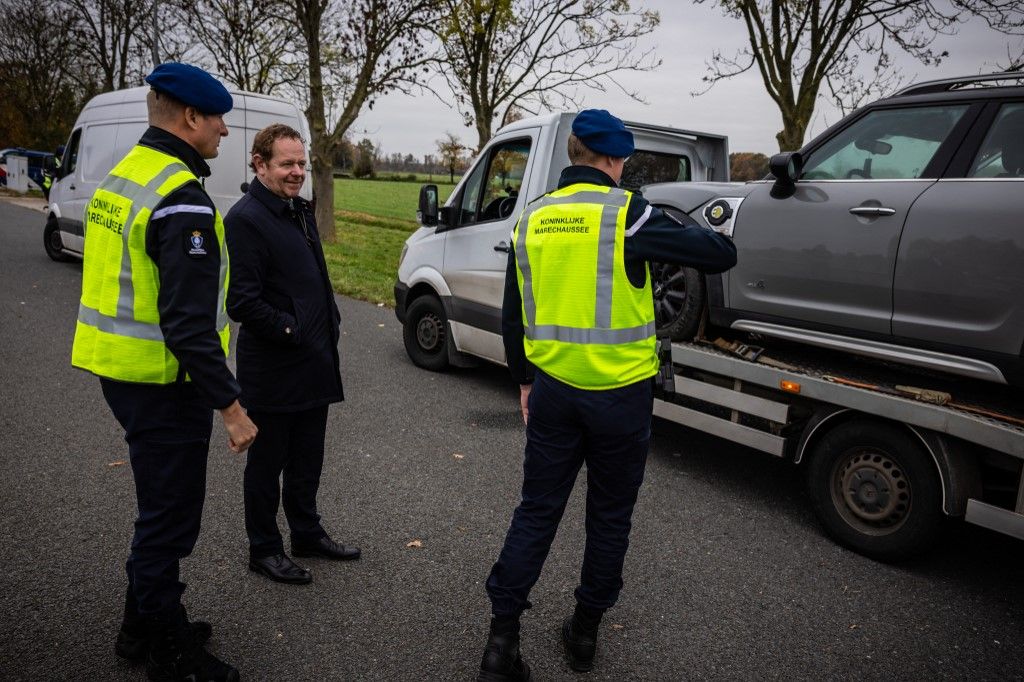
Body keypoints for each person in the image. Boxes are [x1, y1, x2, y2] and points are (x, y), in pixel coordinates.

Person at [477, 109, 738, 680]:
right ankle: (585, 633)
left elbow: (513, 314)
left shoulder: (534, 217)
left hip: (552, 392)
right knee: (610, 517)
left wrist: (524, 381)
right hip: (620, 399)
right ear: (616, 160)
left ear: (573, 154)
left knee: (536, 511)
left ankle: (501, 644)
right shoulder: (630, 213)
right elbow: (719, 256)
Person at [71, 62, 258, 682]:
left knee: (159, 508)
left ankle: (139, 627)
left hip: (119, 369)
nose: (226, 131)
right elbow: (187, 325)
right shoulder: (181, 199)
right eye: (219, 120)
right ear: (190, 119)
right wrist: (231, 407)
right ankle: (166, 650)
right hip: (160, 381)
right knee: (169, 519)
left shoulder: (124, 175)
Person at [224, 123, 358, 586]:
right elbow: (240, 301)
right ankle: (263, 548)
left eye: (301, 163)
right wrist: (292, 327)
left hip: (314, 362)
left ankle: (306, 532)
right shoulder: (245, 219)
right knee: (267, 466)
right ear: (260, 164)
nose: (297, 171)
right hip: (275, 368)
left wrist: (329, 320)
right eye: (287, 164)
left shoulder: (298, 210)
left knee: (307, 460)